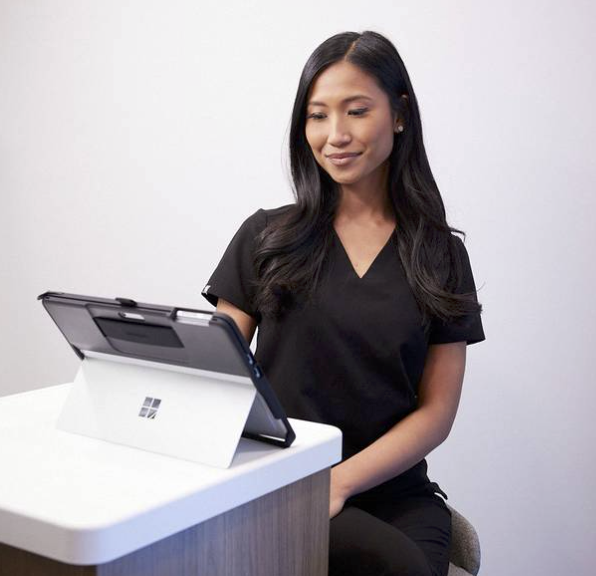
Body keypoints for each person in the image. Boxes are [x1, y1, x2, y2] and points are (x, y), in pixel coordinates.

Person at [200, 30, 485, 576]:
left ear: (399, 114)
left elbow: (437, 412)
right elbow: (216, 370)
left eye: (356, 111)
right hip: (282, 482)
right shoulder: (266, 237)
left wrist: (340, 482)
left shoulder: (440, 254)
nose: (335, 135)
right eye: (317, 116)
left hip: (395, 494)